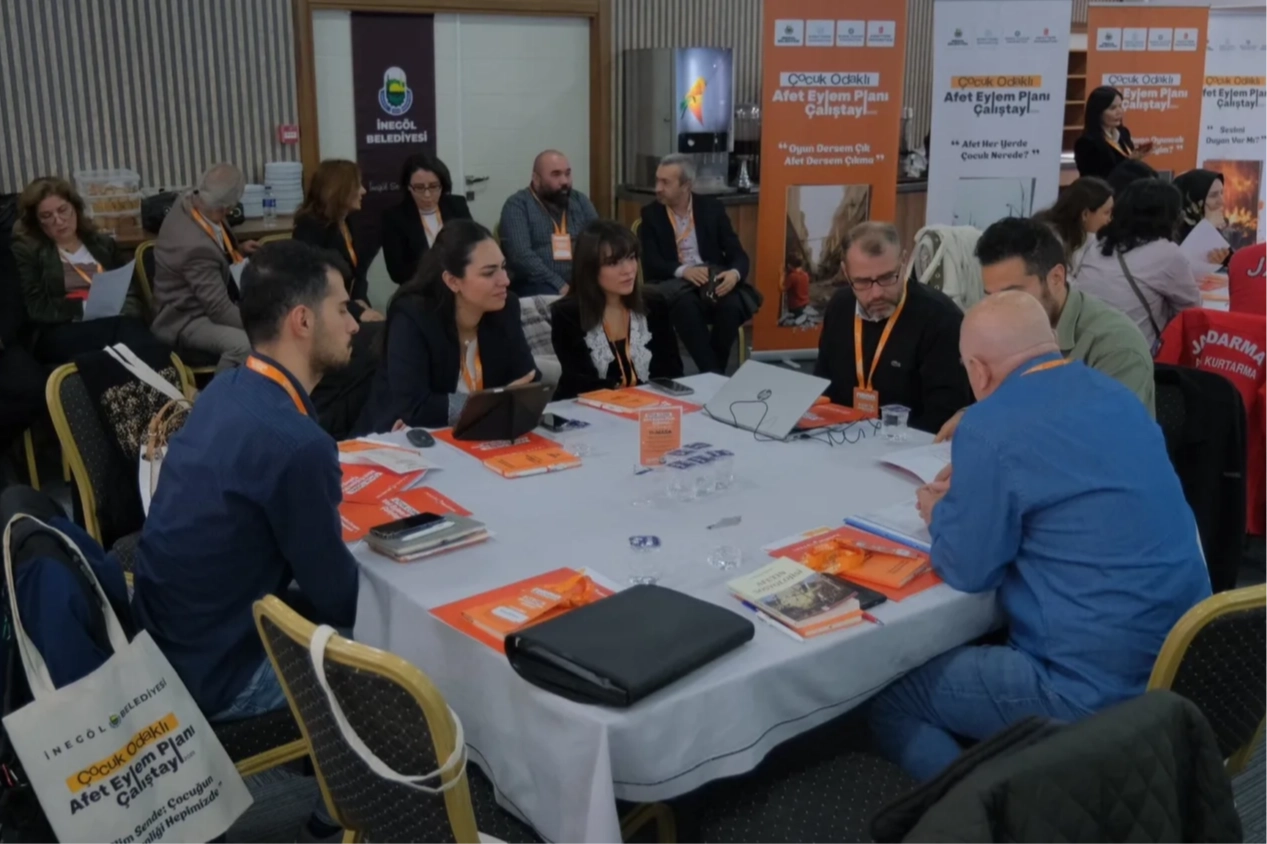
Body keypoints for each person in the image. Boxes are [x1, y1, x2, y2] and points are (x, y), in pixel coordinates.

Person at [870, 291, 1210, 781]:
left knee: (891, 695)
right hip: (1184, 663)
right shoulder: (1116, 395)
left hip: (1086, 690)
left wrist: (940, 511)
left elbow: (968, 569)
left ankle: (980, 812)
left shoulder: (987, 425)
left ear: (978, 371)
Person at [131, 240, 359, 844]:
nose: (355, 323)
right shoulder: (297, 444)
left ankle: (330, 779)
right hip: (219, 672)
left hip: (164, 636)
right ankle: (344, 815)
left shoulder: (228, 388)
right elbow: (338, 598)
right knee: (401, 649)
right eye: (343, 309)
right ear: (302, 320)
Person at [937, 217, 1154, 442]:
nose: (1001, 307)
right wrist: (975, 414)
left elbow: (1105, 441)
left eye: (1012, 294)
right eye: (991, 296)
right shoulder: (1006, 329)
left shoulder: (1115, 345)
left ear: (1056, 278)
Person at [354, 220, 538, 433]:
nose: (505, 280)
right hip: (395, 437)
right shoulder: (413, 317)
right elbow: (415, 406)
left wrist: (490, 405)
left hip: (478, 432)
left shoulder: (506, 307)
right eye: (489, 273)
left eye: (503, 267)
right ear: (452, 281)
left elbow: (529, 380)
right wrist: (491, 404)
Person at [814, 222, 971, 433]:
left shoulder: (941, 318)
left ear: (903, 262)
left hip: (908, 444)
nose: (877, 293)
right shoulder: (840, 307)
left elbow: (944, 416)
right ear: (846, 272)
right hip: (839, 438)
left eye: (887, 277)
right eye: (862, 282)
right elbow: (822, 386)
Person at [12, 177, 161, 364]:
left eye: (63, 210)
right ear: (36, 222)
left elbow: (129, 290)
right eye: (47, 216)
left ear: (75, 207)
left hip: (113, 320)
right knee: (128, 335)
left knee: (130, 332)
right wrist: (84, 308)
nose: (59, 220)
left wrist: (124, 310)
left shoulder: (102, 244)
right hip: (60, 330)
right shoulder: (27, 251)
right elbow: (36, 307)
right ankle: (165, 378)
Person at [639, 153, 762, 373]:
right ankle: (714, 375)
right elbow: (651, 262)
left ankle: (711, 373)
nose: (657, 188)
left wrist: (734, 274)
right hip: (674, 284)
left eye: (665, 182)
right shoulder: (651, 214)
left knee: (732, 307)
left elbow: (738, 254)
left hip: (711, 281)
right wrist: (683, 271)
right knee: (685, 306)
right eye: (657, 180)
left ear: (686, 185)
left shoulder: (711, 209)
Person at [550, 220, 683, 400]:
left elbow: (672, 371)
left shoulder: (654, 303)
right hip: (587, 407)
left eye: (631, 258)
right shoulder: (567, 313)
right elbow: (581, 383)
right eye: (613, 263)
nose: (628, 270)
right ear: (590, 269)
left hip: (650, 406)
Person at [152, 163, 261, 369]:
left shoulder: (191, 200)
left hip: (205, 303)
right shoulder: (195, 247)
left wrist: (237, 250)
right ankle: (217, 390)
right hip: (185, 318)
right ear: (228, 208)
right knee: (245, 345)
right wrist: (264, 326)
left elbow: (213, 251)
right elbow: (219, 310)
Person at [1076, 179, 1201, 349]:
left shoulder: (1094, 242)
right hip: (1130, 354)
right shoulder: (1167, 254)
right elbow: (1191, 310)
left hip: (1081, 347)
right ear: (1171, 216)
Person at [292, 159, 383, 323]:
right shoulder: (309, 227)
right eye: (357, 186)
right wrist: (355, 310)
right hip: (324, 312)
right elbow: (316, 283)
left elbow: (359, 272)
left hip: (349, 306)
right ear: (340, 190)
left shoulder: (348, 220)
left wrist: (360, 300)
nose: (363, 191)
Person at [499, 149, 598, 297]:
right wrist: (559, 284)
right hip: (536, 282)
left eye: (567, 174)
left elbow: (599, 240)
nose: (564, 181)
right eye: (556, 174)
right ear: (536, 179)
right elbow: (521, 256)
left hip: (581, 279)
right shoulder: (517, 205)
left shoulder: (579, 200)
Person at [381, 152, 473, 285]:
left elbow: (472, 247)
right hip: (421, 287)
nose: (427, 194)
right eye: (419, 187)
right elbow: (397, 272)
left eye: (434, 186)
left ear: (442, 184)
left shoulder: (457, 205)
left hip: (459, 282)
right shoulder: (394, 217)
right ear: (408, 187)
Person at [1033, 176, 1114, 275]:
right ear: (1085, 214)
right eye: (1106, 213)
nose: (1109, 219)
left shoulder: (1086, 235)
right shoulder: (1049, 237)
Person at [1074, 86, 1151, 180]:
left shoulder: (1123, 133)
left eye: (1120, 106)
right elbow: (1096, 178)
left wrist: (1136, 158)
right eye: (1113, 108)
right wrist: (1129, 162)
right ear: (1098, 112)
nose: (1119, 112)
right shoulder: (1086, 143)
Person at [1174, 168, 1232, 266]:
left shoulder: (1217, 229)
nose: (1221, 201)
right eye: (1213, 195)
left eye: (1221, 193)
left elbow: (1232, 262)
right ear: (1194, 199)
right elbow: (1180, 264)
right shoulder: (1172, 232)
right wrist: (1207, 227)